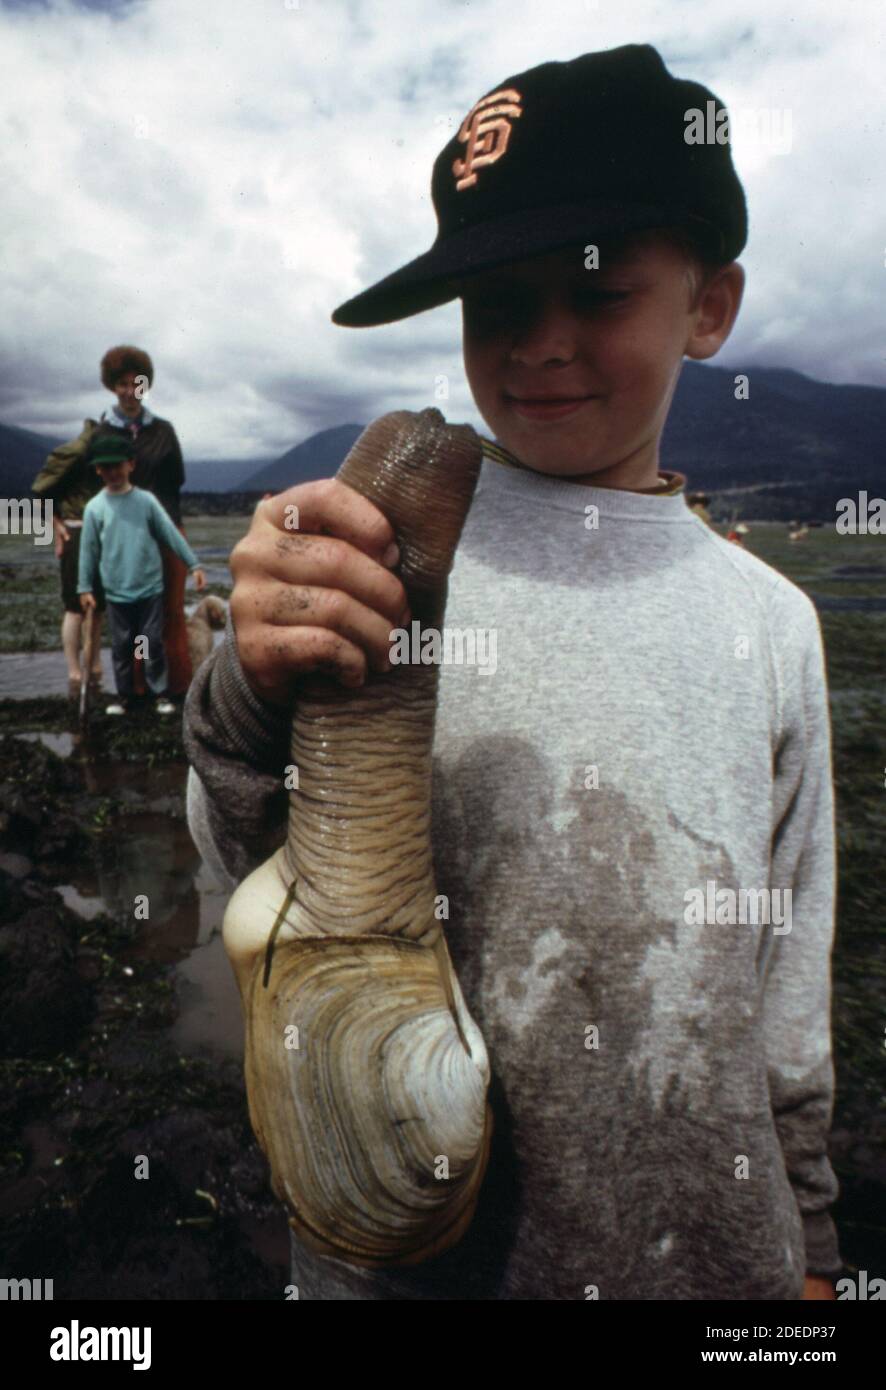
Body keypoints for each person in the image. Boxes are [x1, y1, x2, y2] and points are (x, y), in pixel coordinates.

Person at [183, 46, 841, 1299]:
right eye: (498, 302)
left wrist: (807, 1246)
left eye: (597, 295)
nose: (540, 344)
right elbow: (244, 879)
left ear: (709, 309)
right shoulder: (376, 552)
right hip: (412, 1271)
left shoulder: (773, 624)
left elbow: (783, 987)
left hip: (710, 1268)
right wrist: (245, 685)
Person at [90, 345, 193, 698]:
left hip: (167, 530)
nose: (129, 390)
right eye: (122, 383)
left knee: (171, 613)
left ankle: (176, 691)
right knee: (133, 621)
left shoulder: (164, 430)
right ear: (112, 386)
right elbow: (96, 489)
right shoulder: (102, 433)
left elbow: (177, 478)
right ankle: (137, 689)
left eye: (137, 382)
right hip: (125, 536)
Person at [78, 435, 205, 716]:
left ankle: (159, 692)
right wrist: (84, 587)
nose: (112, 472)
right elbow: (88, 551)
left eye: (117, 466)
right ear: (98, 470)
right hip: (115, 591)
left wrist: (194, 564)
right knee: (123, 646)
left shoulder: (146, 502)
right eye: (105, 467)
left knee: (150, 642)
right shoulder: (94, 509)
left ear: (131, 465)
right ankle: (126, 697)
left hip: (149, 588)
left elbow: (170, 534)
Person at [31, 420, 106, 698]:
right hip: (76, 530)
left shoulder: (107, 450)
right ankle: (74, 670)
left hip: (102, 532)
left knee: (98, 606)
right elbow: (40, 493)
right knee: (75, 606)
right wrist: (56, 525)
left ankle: (94, 664)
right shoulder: (76, 451)